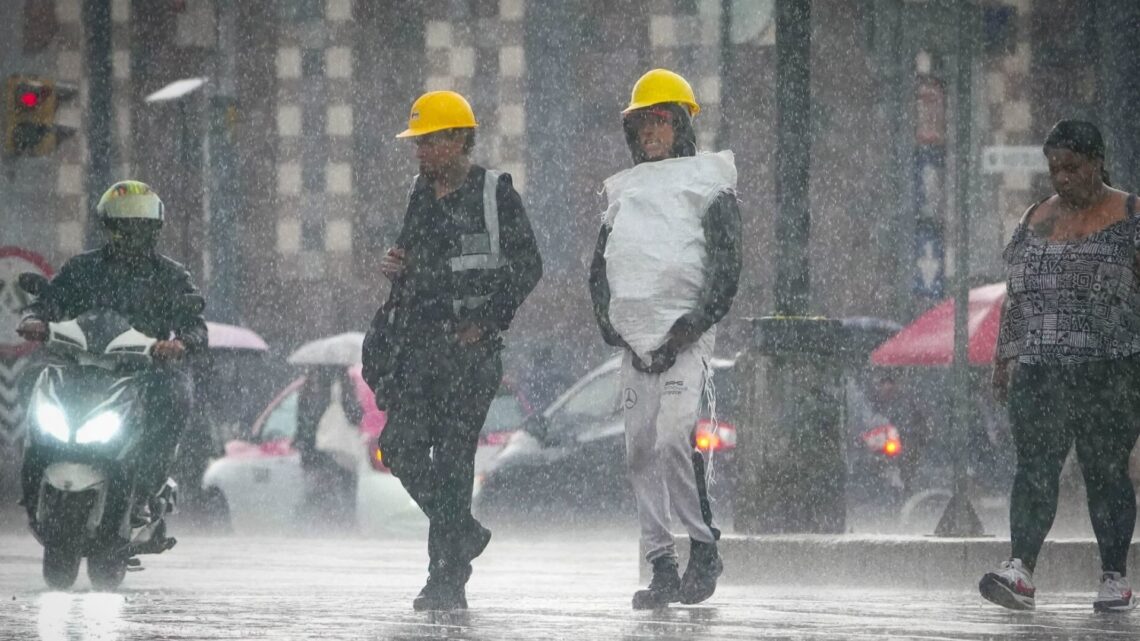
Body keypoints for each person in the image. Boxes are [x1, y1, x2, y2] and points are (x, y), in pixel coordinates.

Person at [363, 90, 542, 611]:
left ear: (458, 140)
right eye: (417, 143)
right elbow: (414, 264)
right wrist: (398, 268)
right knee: (398, 447)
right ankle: (461, 532)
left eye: (428, 141)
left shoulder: (495, 194)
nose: (419, 152)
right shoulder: (419, 194)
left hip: (470, 353)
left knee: (455, 461)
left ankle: (445, 582)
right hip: (420, 349)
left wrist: (486, 321)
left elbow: (529, 265)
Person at [588, 68, 742, 610]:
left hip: (685, 338)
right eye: (641, 125)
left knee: (675, 437)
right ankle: (660, 564)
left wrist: (691, 325)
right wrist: (616, 328)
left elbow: (726, 267)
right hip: (635, 342)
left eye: (659, 121)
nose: (649, 133)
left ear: (680, 125)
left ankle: (703, 547)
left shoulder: (710, 185)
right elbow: (601, 271)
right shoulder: (622, 193)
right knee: (638, 451)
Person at [982, 120, 1140, 613]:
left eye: (1072, 167)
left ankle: (1114, 576)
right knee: (1033, 470)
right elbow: (1016, 297)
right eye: (1054, 168)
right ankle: (1019, 569)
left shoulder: (1131, 215)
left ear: (1097, 163)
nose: (1062, 177)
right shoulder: (1034, 219)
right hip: (1040, 369)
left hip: (1109, 369)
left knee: (1106, 471)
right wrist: (1005, 358)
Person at [17, 180, 207, 523]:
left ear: (154, 229)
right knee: (32, 377)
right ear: (109, 227)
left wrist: (181, 343)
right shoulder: (81, 269)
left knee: (176, 393)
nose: (132, 234)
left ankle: (147, 487)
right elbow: (49, 301)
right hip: (80, 364)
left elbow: (195, 324)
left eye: (141, 226)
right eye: (124, 226)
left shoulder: (171, 275)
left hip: (144, 370)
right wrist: (34, 319)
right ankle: (31, 472)